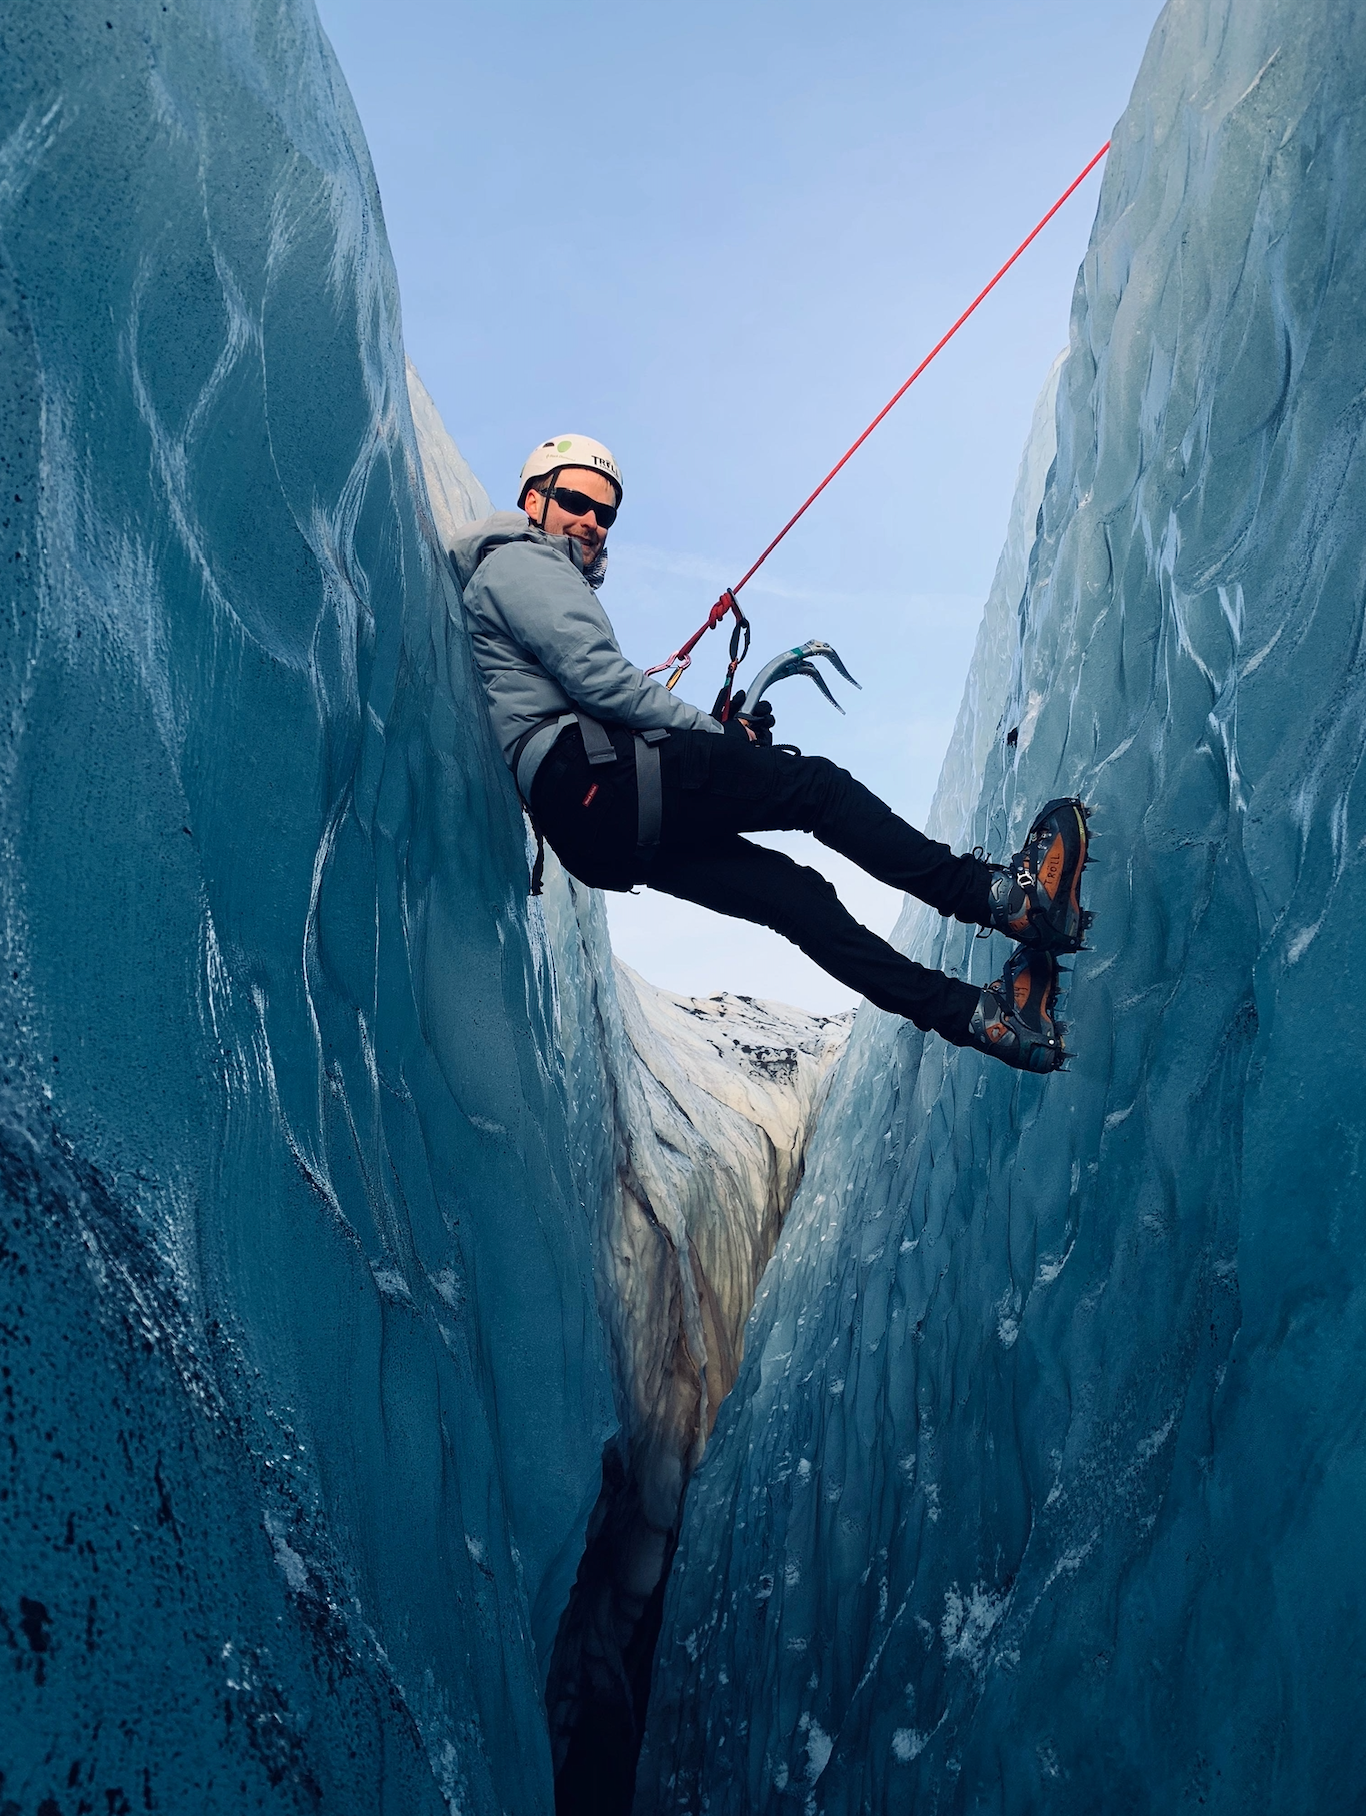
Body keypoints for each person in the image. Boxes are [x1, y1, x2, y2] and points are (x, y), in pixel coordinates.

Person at [450, 435, 1088, 1073]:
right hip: (598, 782)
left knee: (795, 898)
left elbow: (591, 697)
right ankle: (1004, 898)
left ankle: (983, 1019)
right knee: (818, 791)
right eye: (574, 501)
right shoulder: (520, 562)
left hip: (593, 824)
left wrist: (715, 737)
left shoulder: (527, 579)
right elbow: (600, 680)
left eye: (606, 513)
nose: (591, 521)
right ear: (534, 499)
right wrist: (718, 736)